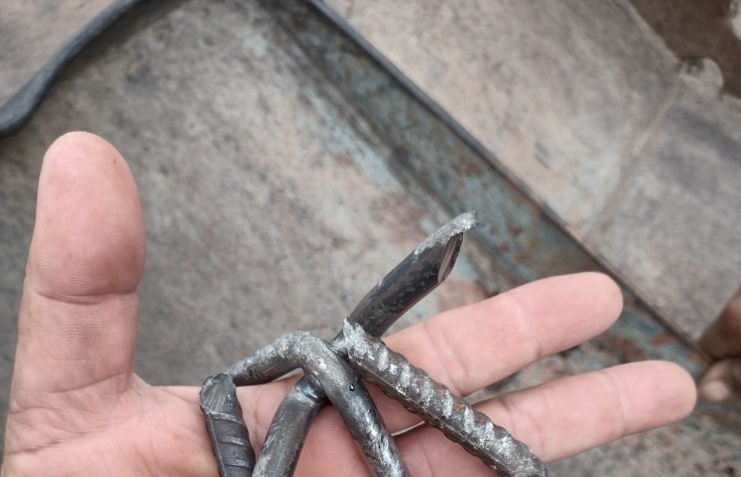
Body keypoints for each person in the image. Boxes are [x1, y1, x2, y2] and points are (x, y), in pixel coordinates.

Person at [1, 132, 698, 476]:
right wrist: (284, 382)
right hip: (319, 371)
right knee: (315, 369)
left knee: (316, 369)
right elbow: (264, 377)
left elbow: (270, 376)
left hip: (322, 370)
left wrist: (293, 380)